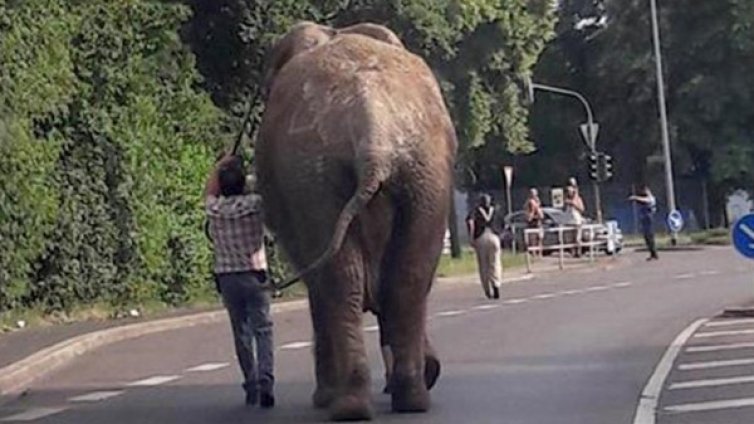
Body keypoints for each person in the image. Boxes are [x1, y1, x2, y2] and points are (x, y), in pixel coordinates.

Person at [205, 153, 275, 408]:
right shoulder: (256, 204)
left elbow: (210, 190)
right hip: (254, 274)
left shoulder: (214, 208)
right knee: (263, 330)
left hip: (227, 277)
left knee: (241, 332)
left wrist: (219, 165)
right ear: (243, 184)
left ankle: (251, 382)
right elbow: (266, 185)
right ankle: (267, 380)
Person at [466, 194, 502, 299]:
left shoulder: (475, 211)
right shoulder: (495, 211)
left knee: (483, 266)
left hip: (481, 238)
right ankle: (496, 284)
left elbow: (470, 222)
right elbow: (502, 223)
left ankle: (487, 289)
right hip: (494, 237)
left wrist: (471, 238)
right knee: (495, 263)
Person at [630, 185, 659, 261]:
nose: (645, 192)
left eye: (646, 191)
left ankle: (654, 253)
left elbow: (646, 200)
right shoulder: (645, 200)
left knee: (650, 236)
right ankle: (652, 253)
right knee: (646, 237)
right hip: (645, 220)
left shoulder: (651, 198)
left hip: (649, 220)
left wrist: (635, 197)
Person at [564, 181, 586, 256]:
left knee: (577, 239)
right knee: (570, 239)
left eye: (570, 192)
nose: (569, 193)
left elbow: (582, 209)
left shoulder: (577, 199)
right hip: (568, 222)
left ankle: (579, 252)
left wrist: (574, 205)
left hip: (577, 222)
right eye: (568, 192)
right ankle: (572, 252)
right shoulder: (566, 201)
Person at [524, 188, 544, 255]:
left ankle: (540, 252)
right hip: (532, 222)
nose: (533, 195)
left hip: (538, 222)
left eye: (534, 193)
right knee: (533, 239)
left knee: (540, 237)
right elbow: (528, 211)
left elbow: (540, 212)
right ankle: (533, 253)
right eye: (532, 193)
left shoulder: (538, 201)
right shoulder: (529, 202)